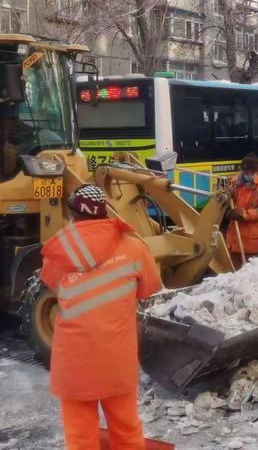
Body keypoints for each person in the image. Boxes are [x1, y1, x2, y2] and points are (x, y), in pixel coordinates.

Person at [40, 185, 161, 450]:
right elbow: (149, 289)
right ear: (105, 211)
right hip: (117, 360)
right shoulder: (134, 248)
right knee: (127, 431)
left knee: (81, 438)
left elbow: (53, 285)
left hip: (74, 364)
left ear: (72, 215)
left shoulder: (57, 254)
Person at [226, 153, 258, 269]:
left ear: (257, 171)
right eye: (245, 172)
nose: (248, 175)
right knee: (234, 271)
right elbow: (228, 188)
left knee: (248, 273)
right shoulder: (238, 181)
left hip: (252, 240)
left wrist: (244, 214)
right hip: (236, 238)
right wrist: (229, 192)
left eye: (251, 173)